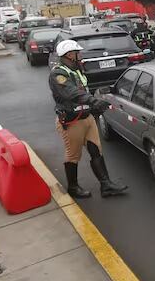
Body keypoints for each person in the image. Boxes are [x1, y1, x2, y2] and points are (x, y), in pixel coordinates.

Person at [50, 40, 128, 199]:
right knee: (73, 155)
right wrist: (93, 101)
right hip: (72, 121)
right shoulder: (58, 74)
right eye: (77, 53)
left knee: (96, 150)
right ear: (69, 55)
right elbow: (71, 93)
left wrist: (95, 105)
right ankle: (73, 187)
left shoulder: (77, 69)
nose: (80, 55)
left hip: (87, 117)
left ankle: (106, 185)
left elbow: (84, 89)